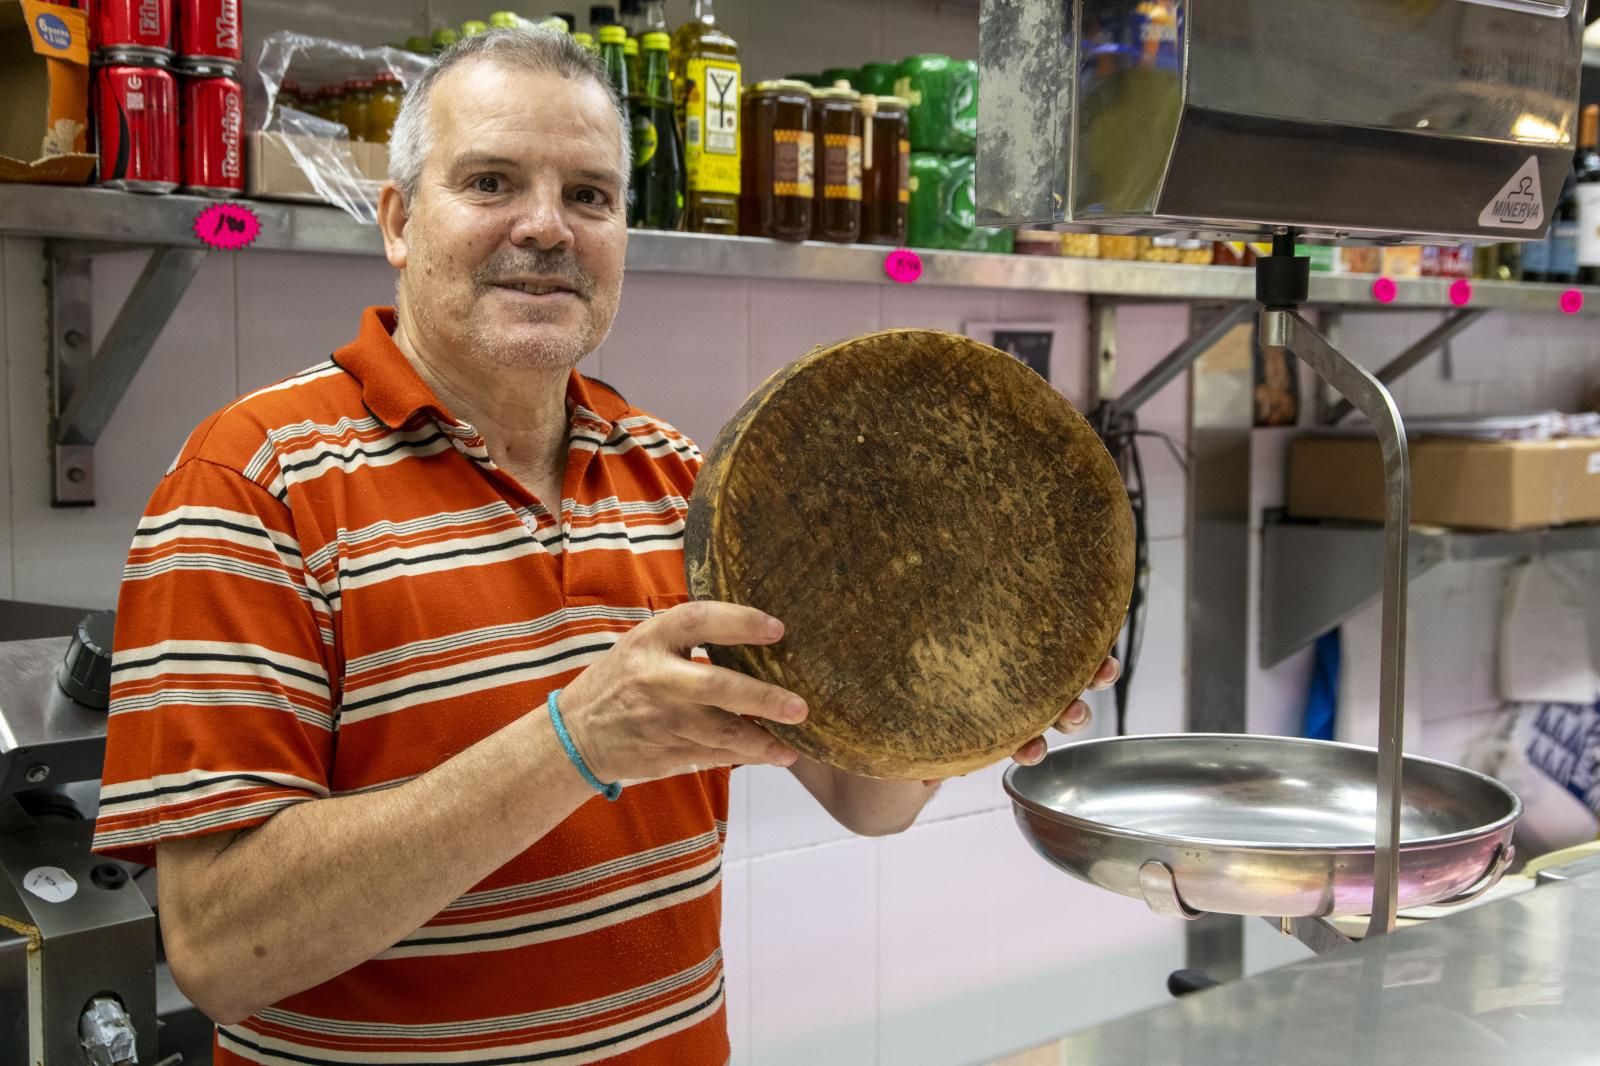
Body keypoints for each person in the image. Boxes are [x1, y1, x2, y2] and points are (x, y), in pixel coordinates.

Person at [92, 28, 1117, 1065]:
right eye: (491, 182)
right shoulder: (250, 483)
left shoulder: (680, 481)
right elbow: (219, 948)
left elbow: (866, 796)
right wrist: (576, 742)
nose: (547, 227)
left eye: (588, 195)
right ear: (398, 222)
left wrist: (977, 694)